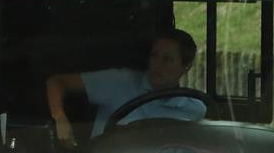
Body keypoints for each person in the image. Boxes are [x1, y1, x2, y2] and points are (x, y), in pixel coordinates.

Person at [46, 28, 206, 145]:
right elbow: (57, 81)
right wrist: (59, 117)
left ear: (186, 66)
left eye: (167, 59)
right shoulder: (120, 81)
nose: (157, 65)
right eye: (154, 56)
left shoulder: (195, 109)